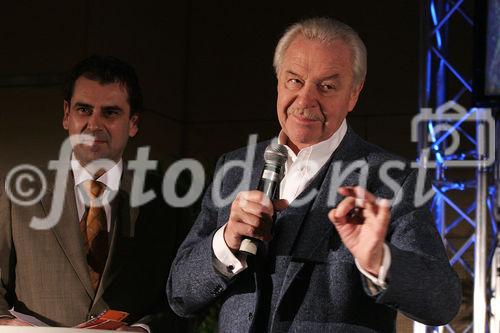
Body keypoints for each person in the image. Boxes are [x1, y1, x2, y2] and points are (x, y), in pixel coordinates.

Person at [167, 17, 462, 332]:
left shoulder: (394, 178)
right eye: (295, 80)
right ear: (278, 81)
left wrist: (378, 258)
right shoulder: (232, 168)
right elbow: (180, 295)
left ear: (354, 94)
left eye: (328, 86)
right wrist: (225, 241)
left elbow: (442, 303)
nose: (306, 100)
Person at [0, 55, 186, 332]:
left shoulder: (167, 204)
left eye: (110, 112)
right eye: (84, 110)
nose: (94, 124)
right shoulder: (17, 195)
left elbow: (183, 301)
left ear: (133, 123)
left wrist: (143, 330)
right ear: (67, 115)